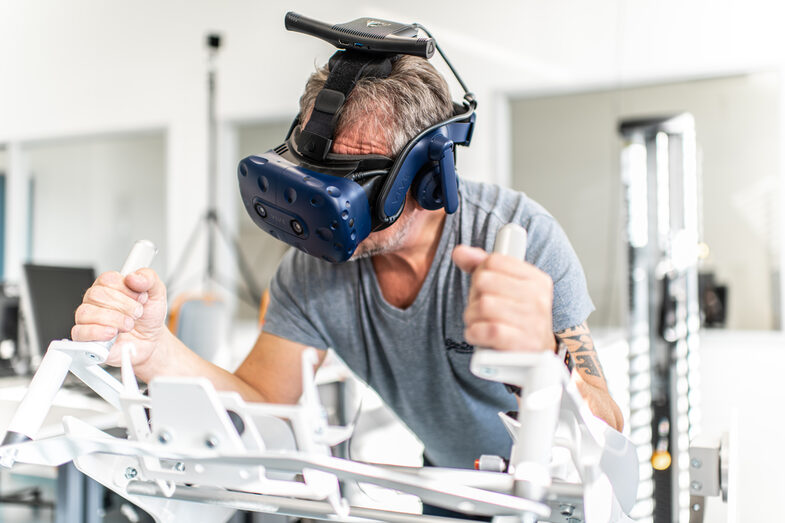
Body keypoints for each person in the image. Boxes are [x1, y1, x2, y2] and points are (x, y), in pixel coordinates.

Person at [72, 55, 622, 474]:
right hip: (451, 483)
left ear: (429, 180)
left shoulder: (516, 237)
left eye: (354, 179)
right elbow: (264, 404)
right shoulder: (310, 272)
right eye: (316, 170)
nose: (322, 207)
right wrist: (156, 352)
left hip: (545, 490)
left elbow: (608, 428)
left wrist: (546, 364)